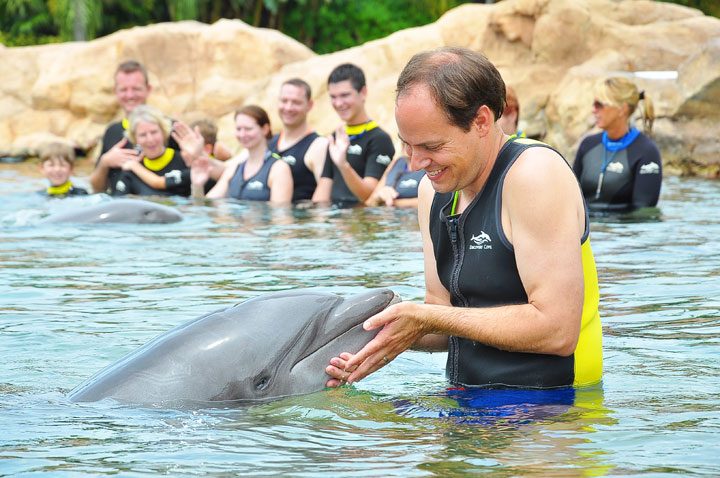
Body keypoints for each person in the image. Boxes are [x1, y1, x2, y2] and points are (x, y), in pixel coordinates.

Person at [326, 47, 603, 390]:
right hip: (466, 399)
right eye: (407, 145)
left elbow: (557, 330)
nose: (415, 163)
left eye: (431, 146)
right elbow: (441, 318)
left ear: (482, 122)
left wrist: (427, 318)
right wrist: (372, 334)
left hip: (552, 407)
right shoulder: (434, 193)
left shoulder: (533, 174)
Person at [573, 77, 662, 212]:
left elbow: (643, 213)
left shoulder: (647, 152)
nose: (593, 110)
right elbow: (572, 199)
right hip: (589, 228)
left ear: (622, 109)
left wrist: (609, 231)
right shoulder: (588, 145)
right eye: (594, 104)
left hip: (621, 231)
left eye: (599, 105)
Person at [315, 63, 395, 206]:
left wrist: (343, 165)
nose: (338, 103)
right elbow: (322, 191)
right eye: (333, 97)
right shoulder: (336, 136)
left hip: (360, 217)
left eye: (345, 95)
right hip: (334, 218)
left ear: (363, 92)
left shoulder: (379, 138)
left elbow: (370, 196)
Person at [190, 105, 293, 204]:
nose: (242, 134)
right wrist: (197, 186)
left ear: (265, 129)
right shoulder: (234, 169)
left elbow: (281, 217)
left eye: (248, 129)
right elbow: (205, 208)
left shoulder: (279, 169)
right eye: (238, 129)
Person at [268, 78, 329, 203]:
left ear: (309, 105)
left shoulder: (318, 146)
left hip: (300, 219)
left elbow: (325, 201)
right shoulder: (269, 142)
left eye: (296, 102)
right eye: (284, 101)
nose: (288, 108)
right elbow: (233, 169)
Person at [113, 105, 190, 197]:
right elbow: (118, 202)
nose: (150, 139)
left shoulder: (185, 161)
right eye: (143, 135)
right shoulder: (130, 172)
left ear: (163, 131)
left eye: (154, 132)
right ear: (135, 138)